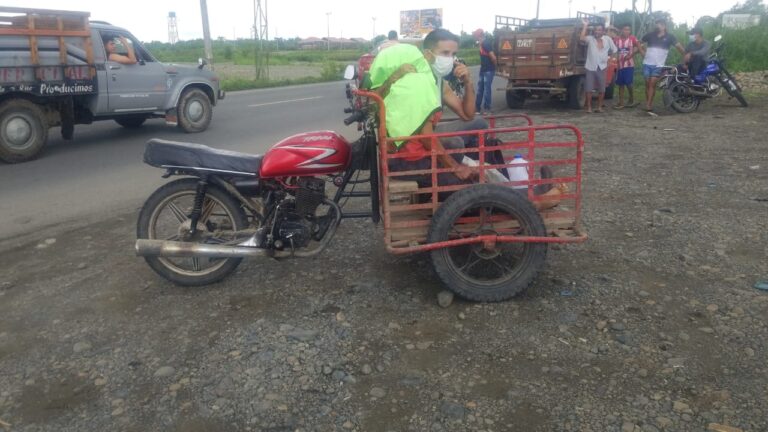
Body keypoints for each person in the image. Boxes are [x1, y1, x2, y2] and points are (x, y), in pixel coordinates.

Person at [366, 29, 483, 190]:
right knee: (467, 187)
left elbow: (467, 114)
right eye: (445, 53)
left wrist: (468, 82)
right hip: (407, 155)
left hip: (419, 147)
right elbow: (426, 136)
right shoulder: (415, 81)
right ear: (427, 54)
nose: (449, 59)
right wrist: (455, 167)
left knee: (470, 131)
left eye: (453, 54)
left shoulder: (439, 81)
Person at [639, 19, 685, 112]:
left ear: (664, 26)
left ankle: (649, 105)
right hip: (647, 63)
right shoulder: (649, 35)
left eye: (659, 24)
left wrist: (686, 57)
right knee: (647, 84)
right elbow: (639, 44)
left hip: (658, 65)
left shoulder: (670, 37)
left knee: (652, 83)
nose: (657, 26)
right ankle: (648, 102)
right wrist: (642, 52)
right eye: (656, 24)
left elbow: (679, 47)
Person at [580, 20, 617, 113]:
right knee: (589, 88)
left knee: (602, 88)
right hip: (590, 66)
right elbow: (581, 38)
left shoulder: (608, 39)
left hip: (602, 66)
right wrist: (585, 25)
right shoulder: (590, 39)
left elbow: (614, 50)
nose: (597, 31)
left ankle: (599, 107)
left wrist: (609, 61)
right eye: (596, 30)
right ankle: (589, 108)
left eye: (599, 30)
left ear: (603, 31)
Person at [613, 24, 640, 109]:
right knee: (620, 84)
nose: (627, 31)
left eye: (628, 30)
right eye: (625, 29)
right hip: (620, 65)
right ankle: (621, 102)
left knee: (628, 83)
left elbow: (640, 47)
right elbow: (613, 49)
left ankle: (631, 98)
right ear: (621, 30)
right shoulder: (617, 39)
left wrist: (631, 55)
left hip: (629, 64)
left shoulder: (632, 38)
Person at [472, 28, 497, 115]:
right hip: (483, 70)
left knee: (486, 90)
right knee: (480, 90)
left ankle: (487, 108)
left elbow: (493, 57)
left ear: (479, 36)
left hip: (488, 70)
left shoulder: (486, 44)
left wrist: (495, 67)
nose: (474, 37)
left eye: (475, 36)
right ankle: (477, 109)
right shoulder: (482, 44)